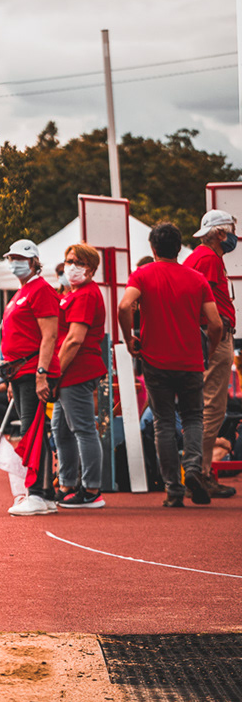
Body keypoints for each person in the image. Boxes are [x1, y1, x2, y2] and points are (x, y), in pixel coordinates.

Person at [119, 223, 223, 507]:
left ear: (153, 249)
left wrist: (131, 339)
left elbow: (124, 306)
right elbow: (215, 323)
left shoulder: (142, 275)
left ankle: (173, 490)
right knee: (193, 418)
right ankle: (192, 468)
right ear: (179, 248)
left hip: (155, 360)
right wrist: (209, 352)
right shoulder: (197, 278)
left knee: (163, 423)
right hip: (190, 360)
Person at [0, 239, 63, 517]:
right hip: (20, 372)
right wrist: (12, 380)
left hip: (33, 370)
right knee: (34, 430)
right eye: (11, 257)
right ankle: (43, 493)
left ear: (34, 261)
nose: (14, 262)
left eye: (19, 257)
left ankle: (37, 493)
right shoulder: (22, 292)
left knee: (33, 431)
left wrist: (41, 373)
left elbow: (49, 335)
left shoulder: (41, 291)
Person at [48, 243, 108, 509]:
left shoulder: (84, 295)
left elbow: (74, 340)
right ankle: (67, 484)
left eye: (78, 262)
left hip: (77, 372)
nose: (72, 266)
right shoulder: (73, 294)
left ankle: (92, 489)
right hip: (69, 372)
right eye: (69, 260)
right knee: (61, 430)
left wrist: (53, 375)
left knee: (82, 429)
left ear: (92, 269)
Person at [186, 210, 238, 496]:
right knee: (211, 408)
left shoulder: (206, 257)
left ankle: (200, 470)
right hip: (214, 336)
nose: (234, 236)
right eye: (231, 230)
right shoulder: (207, 258)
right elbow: (198, 298)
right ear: (219, 232)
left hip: (213, 335)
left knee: (211, 407)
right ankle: (199, 471)